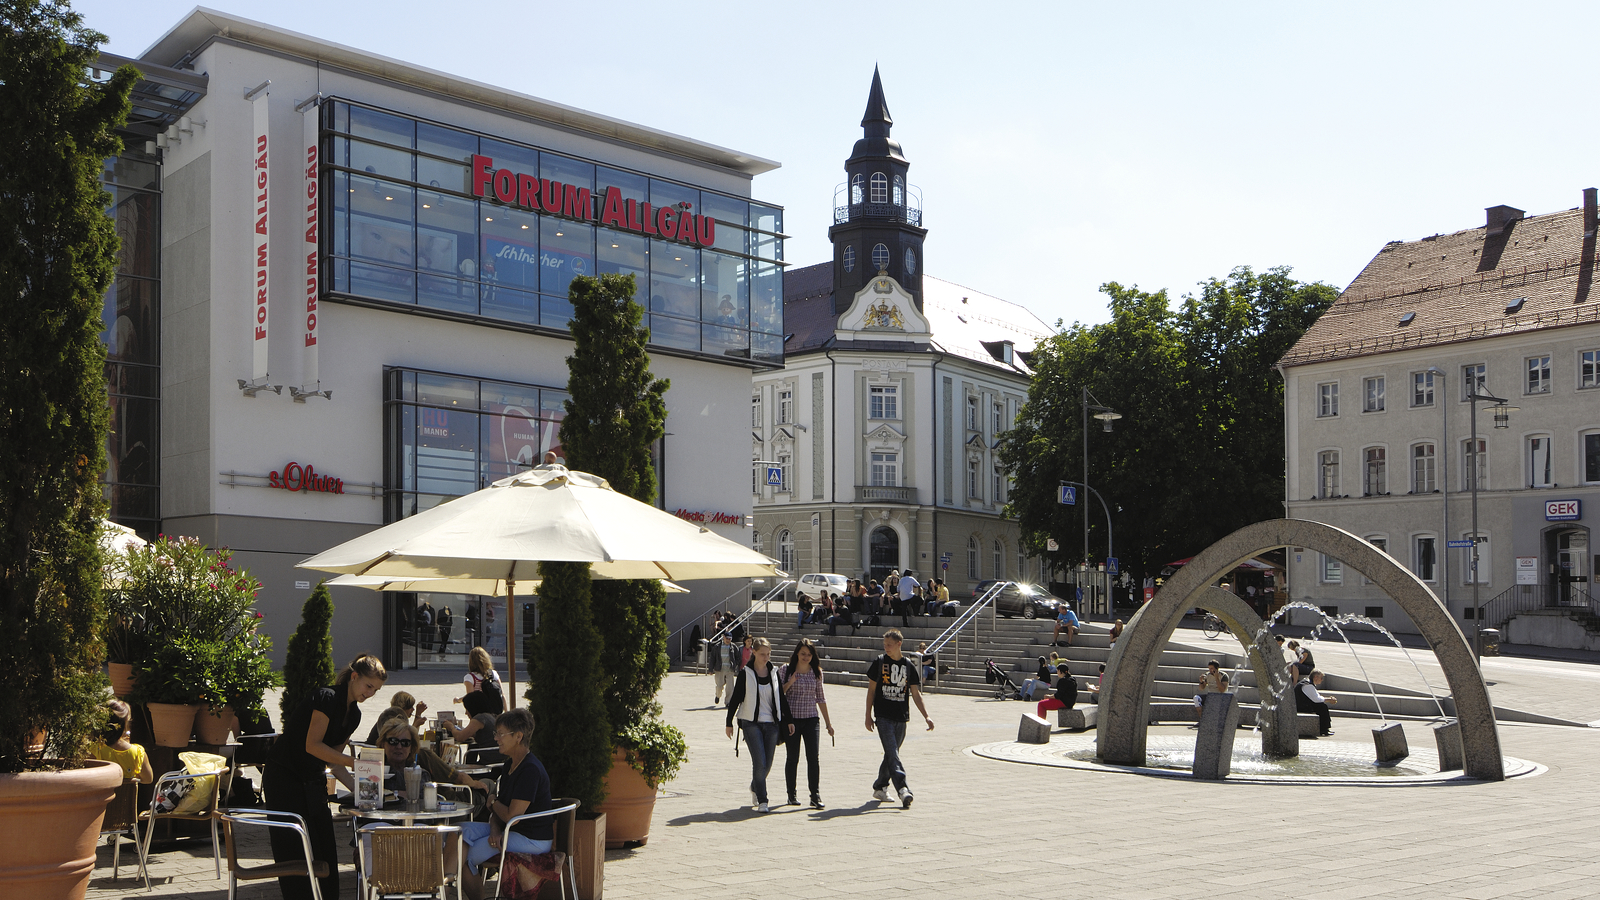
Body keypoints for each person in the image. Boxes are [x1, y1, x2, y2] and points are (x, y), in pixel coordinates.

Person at [265, 653, 387, 900]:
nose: (370, 693)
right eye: (369, 686)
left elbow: (334, 760)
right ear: (354, 677)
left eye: (376, 690)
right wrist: (356, 763)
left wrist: (363, 791)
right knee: (295, 848)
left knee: (325, 851)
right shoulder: (325, 697)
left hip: (311, 780)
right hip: (285, 777)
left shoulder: (354, 715)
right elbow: (313, 745)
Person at [459, 709, 555, 900]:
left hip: (532, 839)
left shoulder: (530, 770)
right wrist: (495, 829)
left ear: (518, 736)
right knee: (459, 830)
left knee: (464, 858)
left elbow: (512, 816)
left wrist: (493, 801)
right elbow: (498, 811)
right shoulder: (510, 764)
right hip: (510, 830)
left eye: (500, 734)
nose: (496, 738)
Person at [865, 629, 934, 809]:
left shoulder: (909, 666)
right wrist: (867, 716)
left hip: (901, 717)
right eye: (884, 644)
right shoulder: (879, 663)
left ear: (899, 644)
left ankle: (880, 786)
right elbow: (871, 691)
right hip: (883, 716)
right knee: (892, 753)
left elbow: (916, 693)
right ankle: (903, 790)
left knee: (891, 754)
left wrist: (926, 716)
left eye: (889, 644)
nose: (886, 648)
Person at [724, 636, 784, 812]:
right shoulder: (746, 673)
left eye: (768, 654)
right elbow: (735, 699)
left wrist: (787, 721)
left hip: (771, 724)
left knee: (768, 763)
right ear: (754, 653)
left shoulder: (774, 673)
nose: (766, 658)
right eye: (763, 654)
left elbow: (781, 698)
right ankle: (763, 800)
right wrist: (729, 723)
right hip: (751, 723)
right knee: (759, 762)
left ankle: (755, 786)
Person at [778, 639, 835, 809]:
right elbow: (779, 693)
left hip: (811, 719)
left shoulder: (816, 672)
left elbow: (821, 698)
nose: (806, 657)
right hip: (792, 721)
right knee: (793, 757)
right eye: (803, 653)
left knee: (813, 758)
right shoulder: (786, 670)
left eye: (809, 654)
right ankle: (791, 794)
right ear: (797, 653)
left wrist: (828, 723)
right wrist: (791, 682)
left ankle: (815, 795)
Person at [88, 699, 154, 783]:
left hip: (103, 796)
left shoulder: (94, 750)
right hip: (127, 796)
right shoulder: (137, 753)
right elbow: (148, 780)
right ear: (125, 724)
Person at [457, 646, 505, 718]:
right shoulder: (493, 674)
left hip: (481, 716)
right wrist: (506, 714)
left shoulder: (470, 677)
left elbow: (471, 698)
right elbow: (502, 695)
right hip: (496, 713)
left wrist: (458, 700)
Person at [1296, 669, 1339, 736]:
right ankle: (1323, 730)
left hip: (1303, 704)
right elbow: (1316, 699)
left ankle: (1325, 729)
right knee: (1322, 707)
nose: (1322, 680)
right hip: (1301, 706)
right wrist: (1329, 699)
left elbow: (1316, 697)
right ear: (1315, 677)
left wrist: (1327, 699)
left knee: (1321, 706)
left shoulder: (1308, 683)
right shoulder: (1307, 685)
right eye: (1321, 678)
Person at [710, 632, 738, 707]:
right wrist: (710, 669)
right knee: (719, 686)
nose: (728, 640)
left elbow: (738, 657)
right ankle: (718, 695)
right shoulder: (717, 646)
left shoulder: (733, 647)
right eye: (727, 638)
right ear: (723, 637)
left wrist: (735, 664)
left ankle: (728, 702)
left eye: (729, 639)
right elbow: (712, 658)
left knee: (730, 687)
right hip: (719, 669)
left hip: (729, 670)